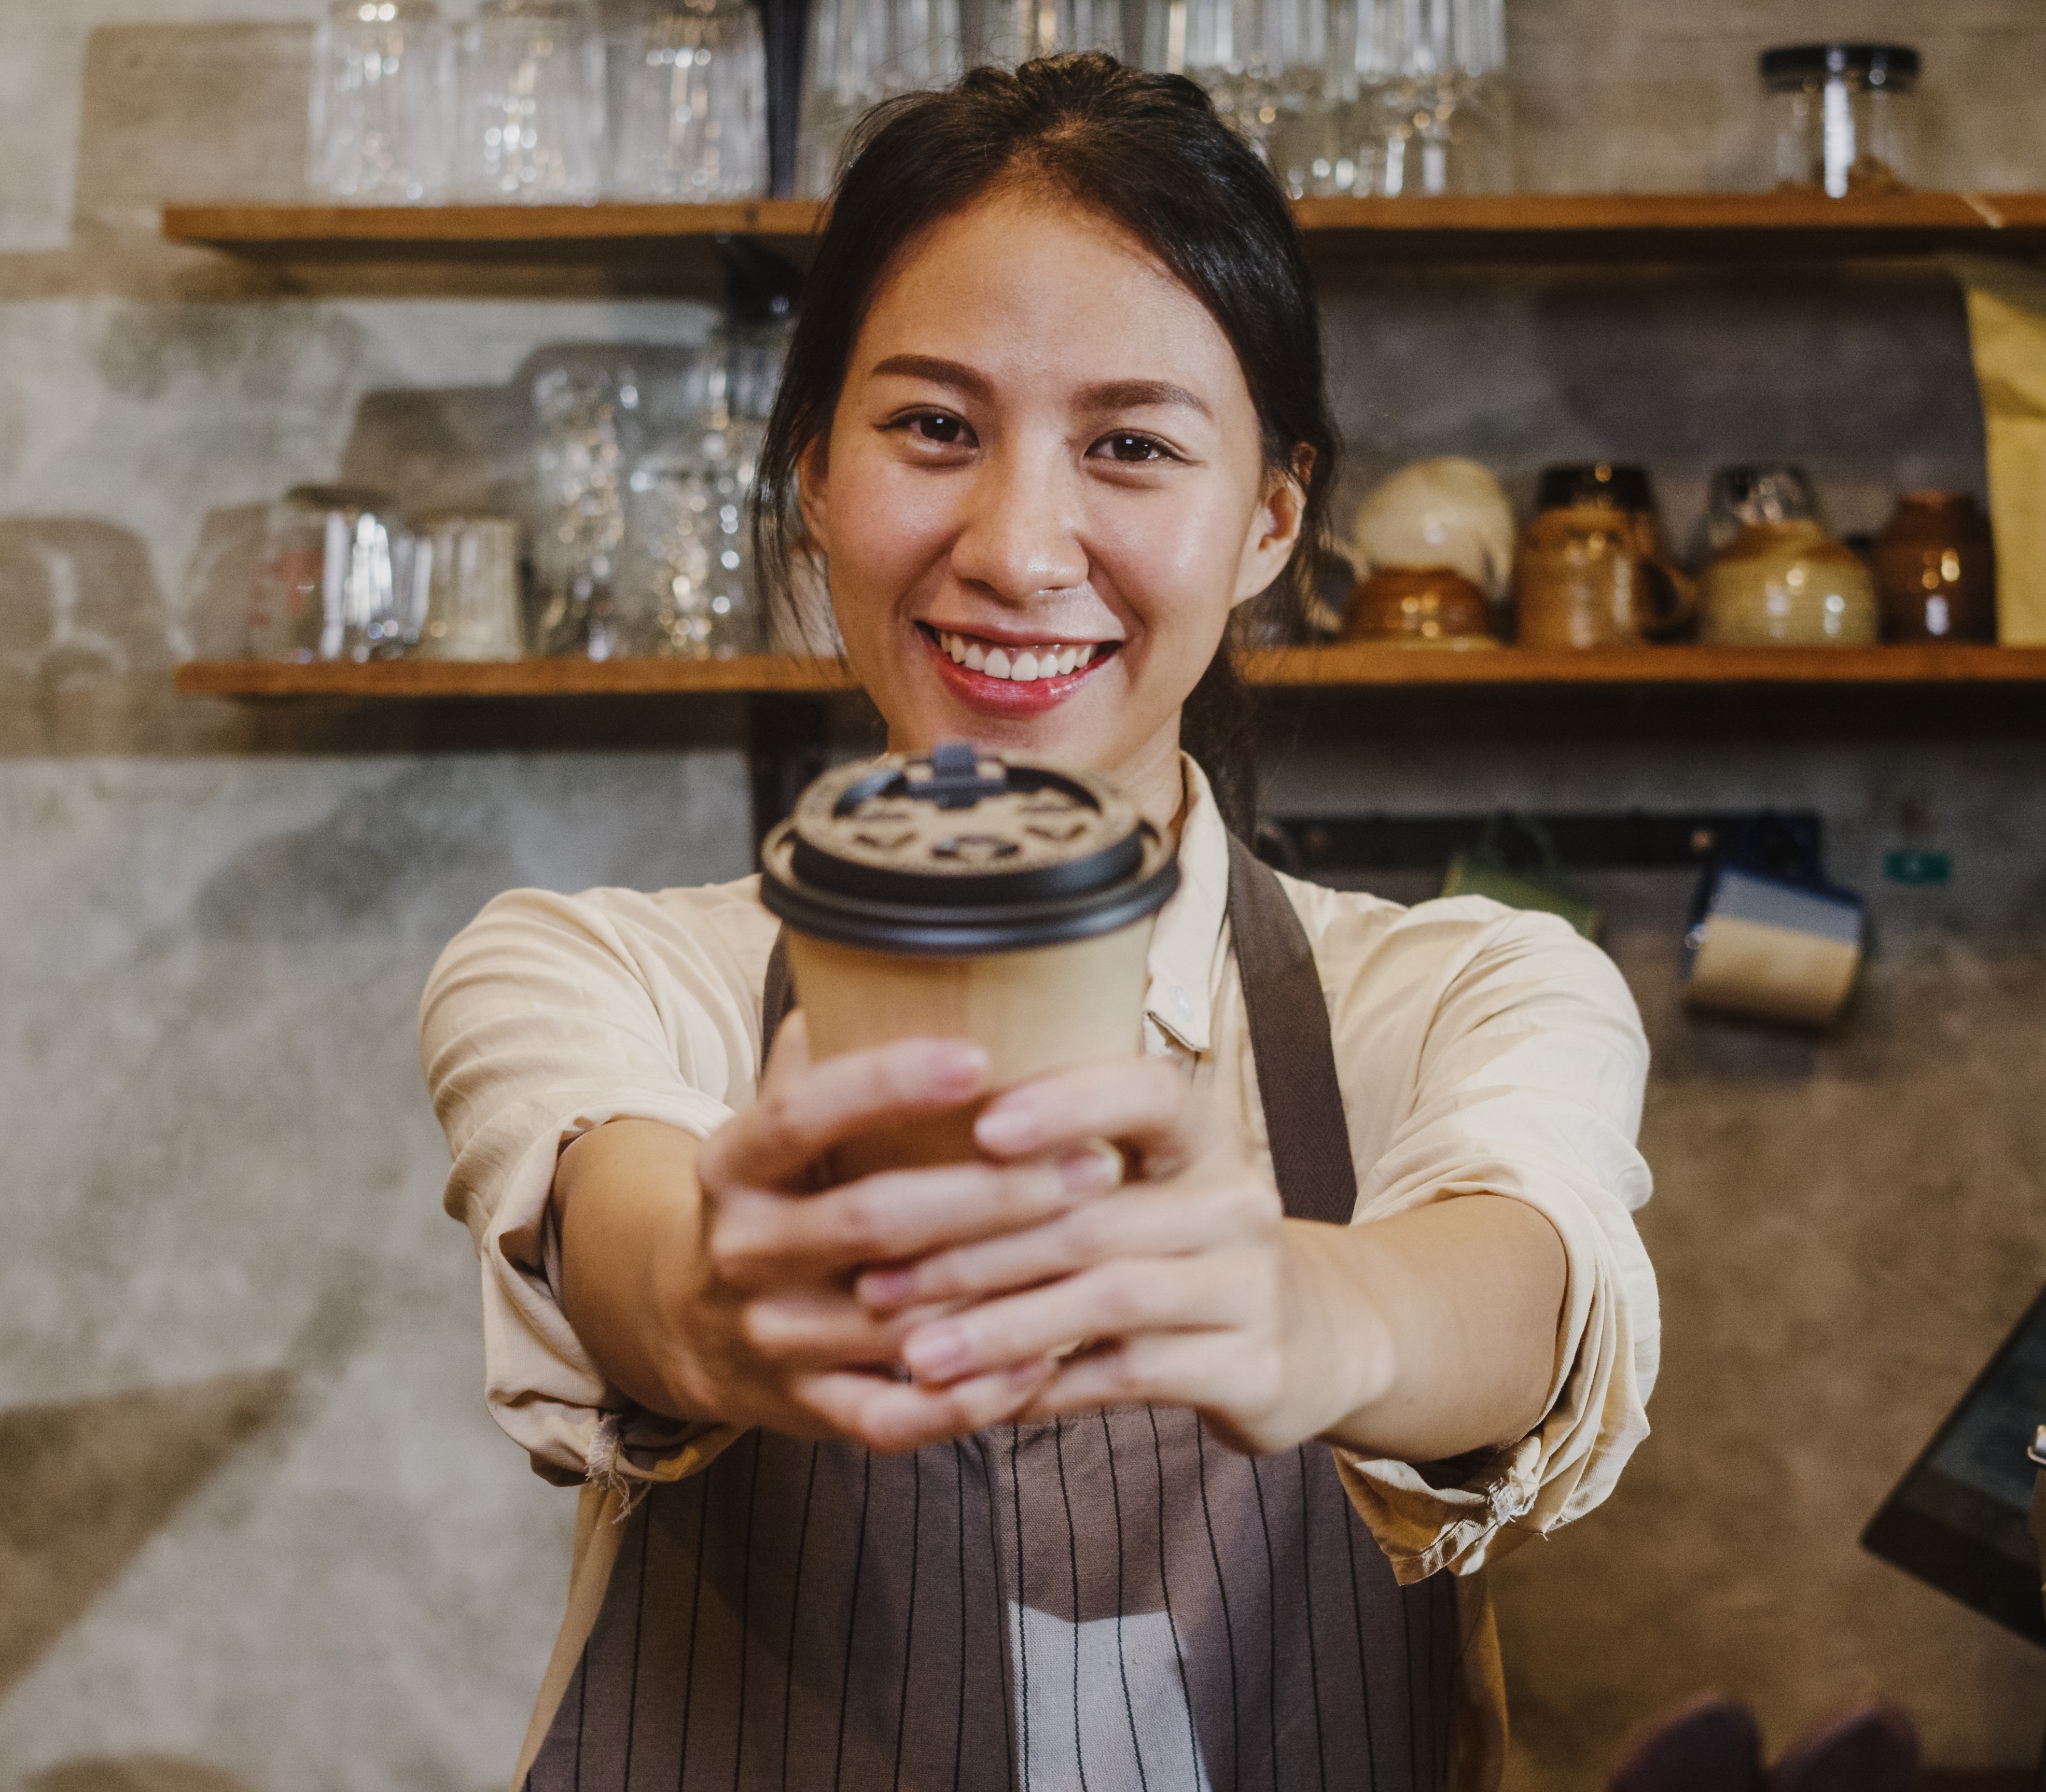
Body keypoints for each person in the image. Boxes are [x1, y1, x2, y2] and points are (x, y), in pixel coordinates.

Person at [420, 54, 1657, 1792]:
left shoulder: (1468, 989)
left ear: (1271, 523)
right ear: (818, 483)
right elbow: (643, 1258)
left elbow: (1518, 1282)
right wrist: (731, 1293)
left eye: (1133, 446)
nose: (1018, 547)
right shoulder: (597, 971)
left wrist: (1317, 1318)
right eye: (933, 427)